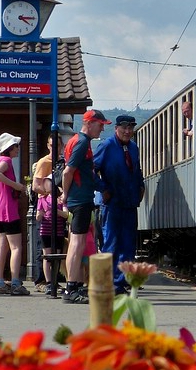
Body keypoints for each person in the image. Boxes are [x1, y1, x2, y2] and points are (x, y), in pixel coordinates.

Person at [60, 109, 111, 304]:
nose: (101, 129)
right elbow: (68, 172)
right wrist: (65, 195)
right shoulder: (81, 143)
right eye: (100, 125)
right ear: (89, 123)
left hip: (79, 198)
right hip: (79, 199)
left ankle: (75, 286)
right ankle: (71, 288)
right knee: (77, 243)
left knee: (77, 242)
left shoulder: (76, 141)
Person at [93, 114, 146, 294]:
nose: (127, 131)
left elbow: (137, 170)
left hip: (130, 203)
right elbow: (91, 170)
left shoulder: (133, 148)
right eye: (124, 127)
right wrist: (103, 188)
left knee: (128, 245)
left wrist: (141, 186)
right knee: (111, 243)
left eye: (131, 128)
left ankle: (122, 282)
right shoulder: (107, 146)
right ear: (116, 128)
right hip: (112, 203)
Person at [0, 132, 29, 296]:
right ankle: (15, 281)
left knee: (2, 246)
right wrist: (17, 186)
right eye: (16, 146)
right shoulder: (6, 161)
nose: (18, 149)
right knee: (16, 247)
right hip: (8, 210)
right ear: (9, 148)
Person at [31, 133, 66, 289]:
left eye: (57, 146)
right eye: (52, 146)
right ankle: (42, 281)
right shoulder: (44, 162)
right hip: (46, 209)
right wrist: (51, 192)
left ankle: (55, 280)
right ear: (48, 146)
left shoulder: (63, 163)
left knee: (57, 248)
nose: (55, 149)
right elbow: (35, 186)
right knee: (43, 248)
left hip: (59, 209)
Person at [36, 179, 68, 298]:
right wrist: (40, 214)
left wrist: (56, 209)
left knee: (57, 257)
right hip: (46, 231)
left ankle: (55, 281)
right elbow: (38, 217)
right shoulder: (42, 199)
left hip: (58, 232)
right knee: (47, 257)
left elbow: (66, 214)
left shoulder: (60, 199)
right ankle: (49, 282)